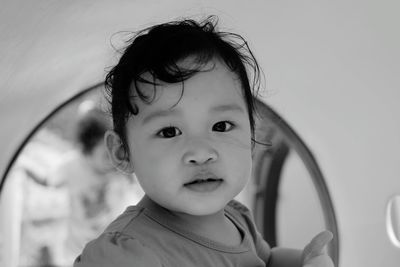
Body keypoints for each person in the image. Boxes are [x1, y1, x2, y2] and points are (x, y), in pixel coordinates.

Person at [73, 16, 334, 267]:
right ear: (122, 152)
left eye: (221, 126)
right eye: (169, 132)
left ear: (251, 135)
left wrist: (307, 261)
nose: (201, 152)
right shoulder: (126, 254)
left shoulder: (236, 216)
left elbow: (268, 260)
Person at [51, 104, 144, 265]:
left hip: (113, 249)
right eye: (105, 155)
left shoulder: (121, 171)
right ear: (86, 150)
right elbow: (49, 180)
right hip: (76, 249)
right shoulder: (72, 166)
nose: (113, 160)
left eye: (116, 151)